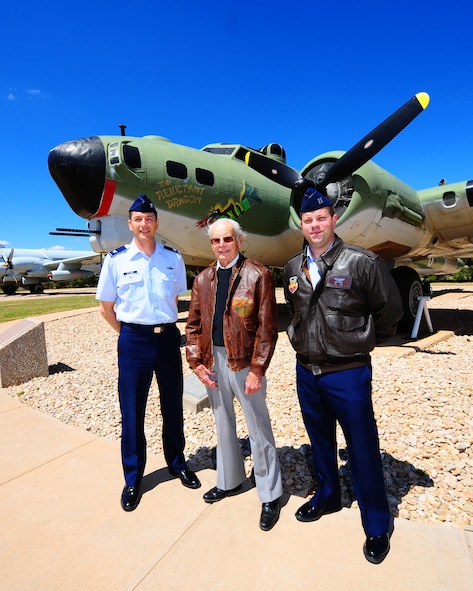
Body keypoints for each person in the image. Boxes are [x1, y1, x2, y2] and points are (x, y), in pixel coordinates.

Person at [283, 187, 403, 564]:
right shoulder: (291, 268)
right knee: (319, 442)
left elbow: (389, 312)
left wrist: (357, 344)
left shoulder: (361, 262)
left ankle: (377, 524)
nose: (315, 225)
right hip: (307, 371)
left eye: (321, 218)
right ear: (301, 224)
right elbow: (296, 311)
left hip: (348, 373)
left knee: (362, 447)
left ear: (334, 220)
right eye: (308, 220)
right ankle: (328, 495)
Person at [96, 194, 201, 512]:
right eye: (138, 219)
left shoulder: (173, 257)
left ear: (156, 223)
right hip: (133, 342)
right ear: (130, 224)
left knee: (173, 405)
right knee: (132, 411)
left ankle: (177, 462)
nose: (144, 224)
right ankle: (132, 478)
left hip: (168, 339)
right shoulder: (116, 260)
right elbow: (106, 309)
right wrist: (130, 335)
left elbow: (177, 299)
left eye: (149, 219)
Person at [186, 218, 283, 531]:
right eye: (215, 241)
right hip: (212, 361)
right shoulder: (202, 279)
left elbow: (268, 327)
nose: (221, 245)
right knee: (222, 421)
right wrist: (196, 363)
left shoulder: (258, 274)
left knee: (257, 425)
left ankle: (270, 493)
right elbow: (193, 326)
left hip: (243, 362)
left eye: (227, 239)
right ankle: (230, 480)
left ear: (239, 241)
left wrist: (258, 367)